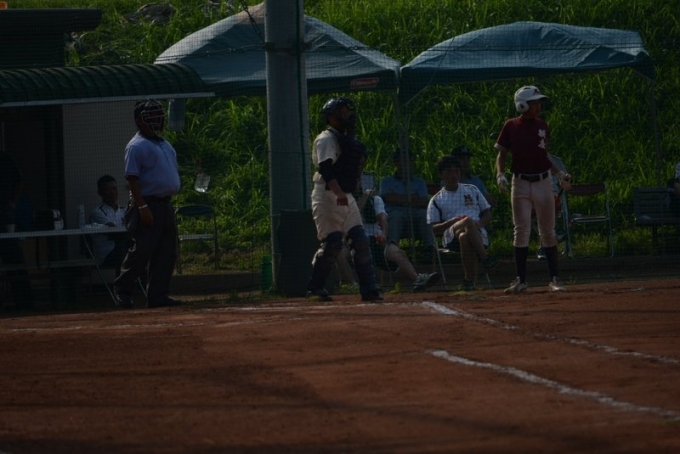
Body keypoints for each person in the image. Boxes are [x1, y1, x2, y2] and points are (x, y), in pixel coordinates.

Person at [495, 85, 572, 294]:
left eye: (539, 102)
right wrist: (500, 174)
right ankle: (520, 280)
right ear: (522, 105)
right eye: (534, 102)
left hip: (543, 181)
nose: (539, 106)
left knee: (548, 230)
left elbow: (543, 156)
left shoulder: (542, 126)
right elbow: (502, 154)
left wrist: (559, 174)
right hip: (520, 182)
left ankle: (555, 278)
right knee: (521, 230)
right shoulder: (511, 125)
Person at [306, 97, 383, 302]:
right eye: (341, 111)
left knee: (360, 240)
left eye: (347, 111)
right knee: (332, 243)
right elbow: (325, 168)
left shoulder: (348, 140)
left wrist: (347, 190)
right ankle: (315, 287)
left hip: (345, 196)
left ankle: (369, 289)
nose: (346, 115)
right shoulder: (326, 139)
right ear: (330, 117)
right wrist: (339, 192)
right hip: (327, 195)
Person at [113, 100, 183, 309]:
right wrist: (142, 206)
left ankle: (157, 295)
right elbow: (132, 179)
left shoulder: (164, 143)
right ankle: (122, 291)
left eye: (158, 115)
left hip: (165, 204)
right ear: (139, 121)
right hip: (147, 203)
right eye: (150, 116)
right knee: (142, 250)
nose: (157, 119)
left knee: (166, 252)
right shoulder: (136, 146)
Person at [337, 178, 440, 291]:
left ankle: (418, 279)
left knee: (397, 252)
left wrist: (384, 234)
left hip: (375, 239)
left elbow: (383, 219)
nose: (355, 184)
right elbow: (351, 215)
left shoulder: (375, 199)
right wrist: (364, 197)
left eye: (357, 182)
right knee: (339, 252)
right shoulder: (342, 201)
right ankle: (353, 285)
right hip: (352, 240)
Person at [427, 155, 498, 291]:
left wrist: (478, 225)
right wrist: (452, 222)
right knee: (467, 221)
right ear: (441, 175)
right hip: (450, 235)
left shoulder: (472, 189)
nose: (454, 175)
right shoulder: (436, 199)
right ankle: (485, 258)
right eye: (449, 172)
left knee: (464, 236)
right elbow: (433, 228)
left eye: (456, 171)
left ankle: (468, 282)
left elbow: (487, 213)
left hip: (477, 232)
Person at [380, 151, 434, 256]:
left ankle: (430, 249)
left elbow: (424, 202)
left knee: (424, 214)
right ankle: (392, 249)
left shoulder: (419, 182)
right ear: (396, 162)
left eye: (409, 160)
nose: (406, 163)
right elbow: (389, 198)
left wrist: (400, 198)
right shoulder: (386, 181)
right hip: (395, 213)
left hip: (415, 215)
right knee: (396, 216)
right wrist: (412, 197)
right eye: (402, 160)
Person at [0, 151, 35, 309]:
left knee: (14, 257)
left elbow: (19, 181)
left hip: (4, 214)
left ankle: (25, 303)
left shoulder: (5, 159)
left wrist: (12, 202)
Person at [89, 175, 128, 271]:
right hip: (107, 255)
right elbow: (115, 232)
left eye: (114, 189)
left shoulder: (124, 210)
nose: (112, 193)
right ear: (100, 193)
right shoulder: (98, 212)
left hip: (124, 250)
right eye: (108, 190)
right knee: (129, 251)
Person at [536, 154, 571, 260]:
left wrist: (565, 181)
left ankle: (545, 245)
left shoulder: (557, 161)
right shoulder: (529, 159)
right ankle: (554, 234)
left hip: (554, 195)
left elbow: (566, 180)